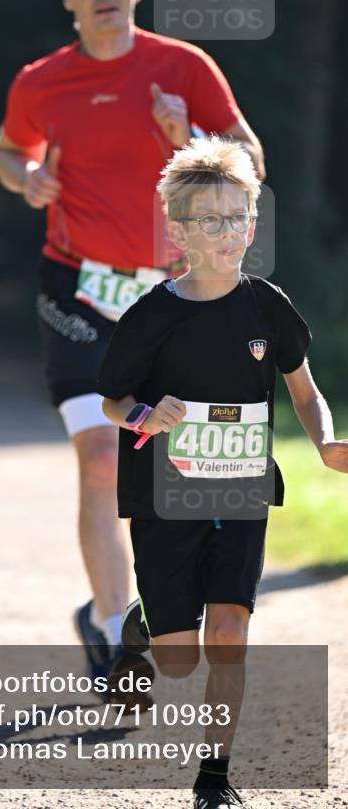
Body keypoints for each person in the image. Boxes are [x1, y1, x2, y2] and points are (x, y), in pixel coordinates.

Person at [0, 0, 265, 682]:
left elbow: (249, 158)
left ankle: (126, 606)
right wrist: (25, 177)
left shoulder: (182, 66)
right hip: (77, 288)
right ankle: (117, 637)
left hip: (172, 293)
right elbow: (9, 150)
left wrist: (191, 134)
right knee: (101, 456)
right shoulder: (40, 81)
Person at [98, 137, 348, 809]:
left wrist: (324, 442)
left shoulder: (267, 306)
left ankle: (214, 775)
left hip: (240, 489)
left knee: (231, 631)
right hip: (164, 493)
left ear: (253, 224)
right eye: (210, 220)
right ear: (178, 231)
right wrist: (145, 413)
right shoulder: (152, 314)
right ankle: (144, 623)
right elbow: (112, 399)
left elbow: (304, 391)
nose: (228, 231)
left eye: (239, 217)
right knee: (179, 661)